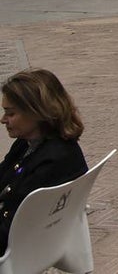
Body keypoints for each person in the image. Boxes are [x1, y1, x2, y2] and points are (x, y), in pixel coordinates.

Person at [0, 69, 87, 255]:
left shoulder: (53, 160)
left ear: (36, 112)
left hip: (19, 246)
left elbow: (13, 227)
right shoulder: (27, 143)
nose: (3, 120)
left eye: (10, 113)